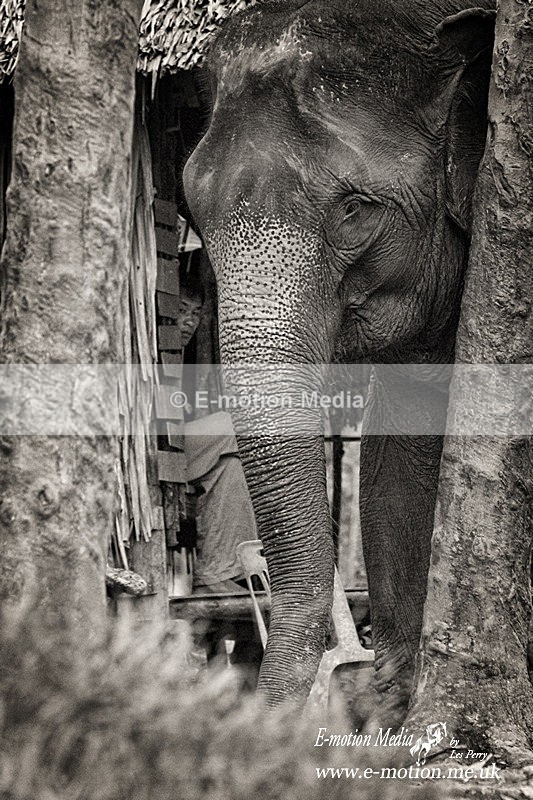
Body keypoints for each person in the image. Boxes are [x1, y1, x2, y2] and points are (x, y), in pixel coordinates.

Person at [176, 275, 256, 594]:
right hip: (155, 453)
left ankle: (218, 573)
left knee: (235, 471)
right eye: (181, 310)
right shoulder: (148, 346)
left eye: (195, 313)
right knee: (237, 422)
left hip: (183, 449)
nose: (189, 321)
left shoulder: (184, 356)